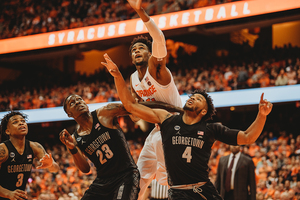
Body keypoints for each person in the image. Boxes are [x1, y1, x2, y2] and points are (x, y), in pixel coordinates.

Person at [101, 53, 273, 199]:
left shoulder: (211, 129)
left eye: (198, 99)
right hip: (177, 192)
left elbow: (248, 137)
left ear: (203, 111)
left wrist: (262, 116)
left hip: (202, 191)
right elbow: (131, 106)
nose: (192, 98)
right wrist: (117, 76)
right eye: (192, 97)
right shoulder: (166, 120)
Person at [59, 94, 182, 200]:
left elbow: (135, 107)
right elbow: (85, 169)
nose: (78, 102)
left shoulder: (104, 113)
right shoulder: (75, 139)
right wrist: (72, 148)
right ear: (69, 114)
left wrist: (176, 110)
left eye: (80, 99)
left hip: (126, 175)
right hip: (103, 181)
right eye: (72, 103)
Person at [126, 0, 183, 199]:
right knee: (138, 177)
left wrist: (140, 11)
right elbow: (135, 114)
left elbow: (159, 37)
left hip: (176, 127)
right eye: (133, 50)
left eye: (141, 48)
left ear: (150, 53)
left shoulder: (156, 68)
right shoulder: (133, 80)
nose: (136, 52)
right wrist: (134, 114)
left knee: (173, 181)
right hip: (157, 130)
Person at [0, 111, 59, 200]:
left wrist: (50, 164)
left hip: (19, 196)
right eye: (15, 122)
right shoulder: (3, 150)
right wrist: (8, 194)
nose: (21, 123)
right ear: (7, 131)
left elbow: (55, 169)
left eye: (23, 121)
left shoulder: (35, 147)